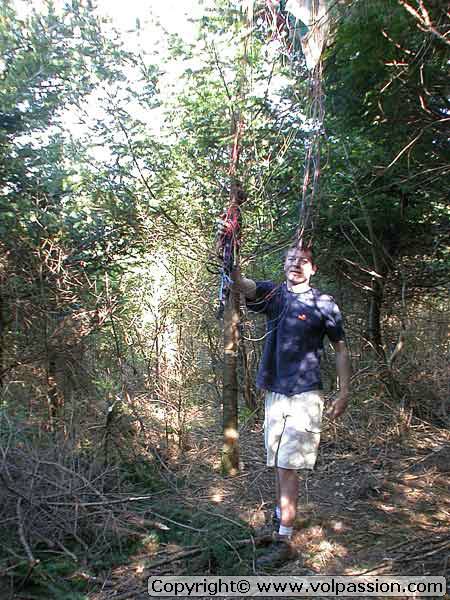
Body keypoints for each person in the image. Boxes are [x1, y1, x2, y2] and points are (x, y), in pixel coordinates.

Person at [234, 243, 350, 565]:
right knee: (278, 464)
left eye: (303, 261)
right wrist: (230, 256)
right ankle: (280, 520)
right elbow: (244, 285)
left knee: (288, 467)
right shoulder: (274, 295)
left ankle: (285, 540)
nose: (296, 264)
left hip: (305, 395)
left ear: (313, 269)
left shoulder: (324, 303)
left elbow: (340, 349)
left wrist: (344, 392)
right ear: (284, 264)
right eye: (291, 259)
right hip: (275, 392)